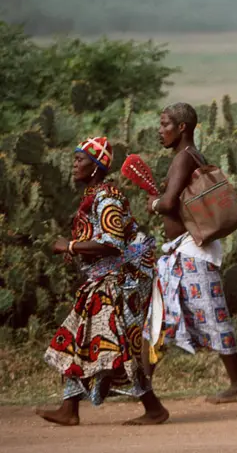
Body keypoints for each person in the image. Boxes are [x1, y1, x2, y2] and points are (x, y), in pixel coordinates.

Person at [38, 138, 169, 426]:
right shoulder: (95, 194)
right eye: (75, 158)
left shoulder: (106, 198)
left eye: (81, 159)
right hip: (107, 277)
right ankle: (70, 409)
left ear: (96, 167)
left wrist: (70, 246)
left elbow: (112, 244)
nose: (75, 164)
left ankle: (153, 408)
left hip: (125, 278)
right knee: (79, 334)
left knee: (116, 343)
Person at [145, 103, 237, 404]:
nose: (160, 130)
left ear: (182, 128)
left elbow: (168, 204)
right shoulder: (190, 156)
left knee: (213, 318)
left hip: (194, 252)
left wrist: (153, 203)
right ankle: (141, 384)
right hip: (185, 252)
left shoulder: (183, 159)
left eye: (165, 124)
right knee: (162, 317)